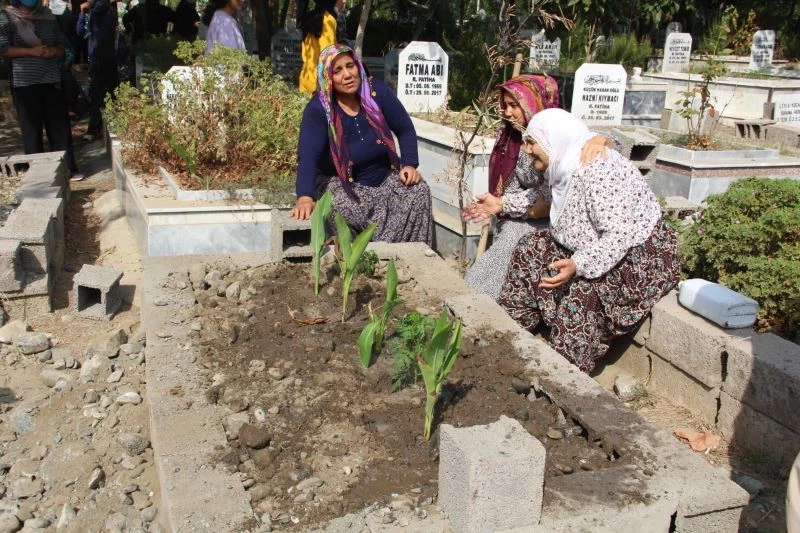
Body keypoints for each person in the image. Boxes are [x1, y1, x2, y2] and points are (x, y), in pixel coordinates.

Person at [498, 108, 680, 373]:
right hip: (589, 246)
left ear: (554, 141)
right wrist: (501, 203)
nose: (526, 149)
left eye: (532, 142)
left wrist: (577, 264)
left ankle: (561, 374)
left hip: (636, 257)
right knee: (530, 248)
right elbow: (543, 197)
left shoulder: (597, 171)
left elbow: (619, 236)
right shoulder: (562, 163)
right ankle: (509, 334)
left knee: (583, 291)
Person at [462, 74, 610, 301]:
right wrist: (500, 204)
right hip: (526, 210)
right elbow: (515, 190)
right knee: (510, 234)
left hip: (557, 217)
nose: (506, 112)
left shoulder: (556, 133)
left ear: (534, 103)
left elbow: (553, 196)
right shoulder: (512, 138)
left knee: (515, 238)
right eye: (505, 105)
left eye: (514, 105)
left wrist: (602, 139)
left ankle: (485, 300)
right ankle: (477, 298)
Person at [291, 44, 432, 246]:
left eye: (350, 66)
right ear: (327, 77)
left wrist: (409, 164)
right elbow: (307, 157)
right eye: (337, 71)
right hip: (342, 182)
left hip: (383, 177)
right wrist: (305, 197)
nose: (347, 75)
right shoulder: (319, 109)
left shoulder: (375, 92)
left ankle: (405, 255)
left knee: (418, 192)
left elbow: (405, 129)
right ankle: (356, 259)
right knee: (341, 206)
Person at [0, 0, 83, 180]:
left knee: (59, 128)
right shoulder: (6, 17)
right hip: (24, 83)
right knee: (32, 131)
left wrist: (54, 50)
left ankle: (68, 169)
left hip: (52, 80)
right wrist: (31, 52)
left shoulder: (48, 16)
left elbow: (62, 45)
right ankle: (38, 174)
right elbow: (3, 48)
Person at [76, 0, 119, 142]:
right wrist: (82, 15)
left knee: (105, 95)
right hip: (95, 62)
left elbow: (100, 37)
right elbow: (80, 32)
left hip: (105, 61)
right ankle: (96, 127)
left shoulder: (106, 13)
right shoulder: (91, 14)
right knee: (97, 97)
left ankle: (97, 128)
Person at [297, 0, 336, 94]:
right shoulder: (328, 19)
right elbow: (328, 52)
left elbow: (305, 53)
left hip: (305, 83)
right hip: (319, 87)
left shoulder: (309, 18)